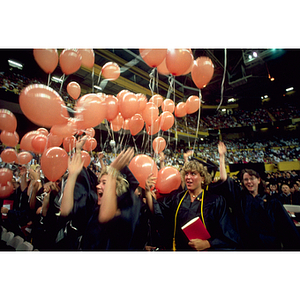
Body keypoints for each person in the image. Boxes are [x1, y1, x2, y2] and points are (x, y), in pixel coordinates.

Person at [144, 151, 240, 251]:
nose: (188, 177)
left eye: (193, 174)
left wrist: (208, 243)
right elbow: (157, 212)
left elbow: (227, 233)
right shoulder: (177, 198)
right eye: (186, 174)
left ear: (203, 178)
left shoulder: (215, 201)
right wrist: (147, 191)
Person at [218, 141, 300, 250]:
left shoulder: (272, 202)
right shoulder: (240, 199)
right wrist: (222, 156)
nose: (249, 182)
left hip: (269, 247)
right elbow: (224, 180)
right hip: (246, 246)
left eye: (252, 178)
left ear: (259, 180)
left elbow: (286, 228)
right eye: (246, 179)